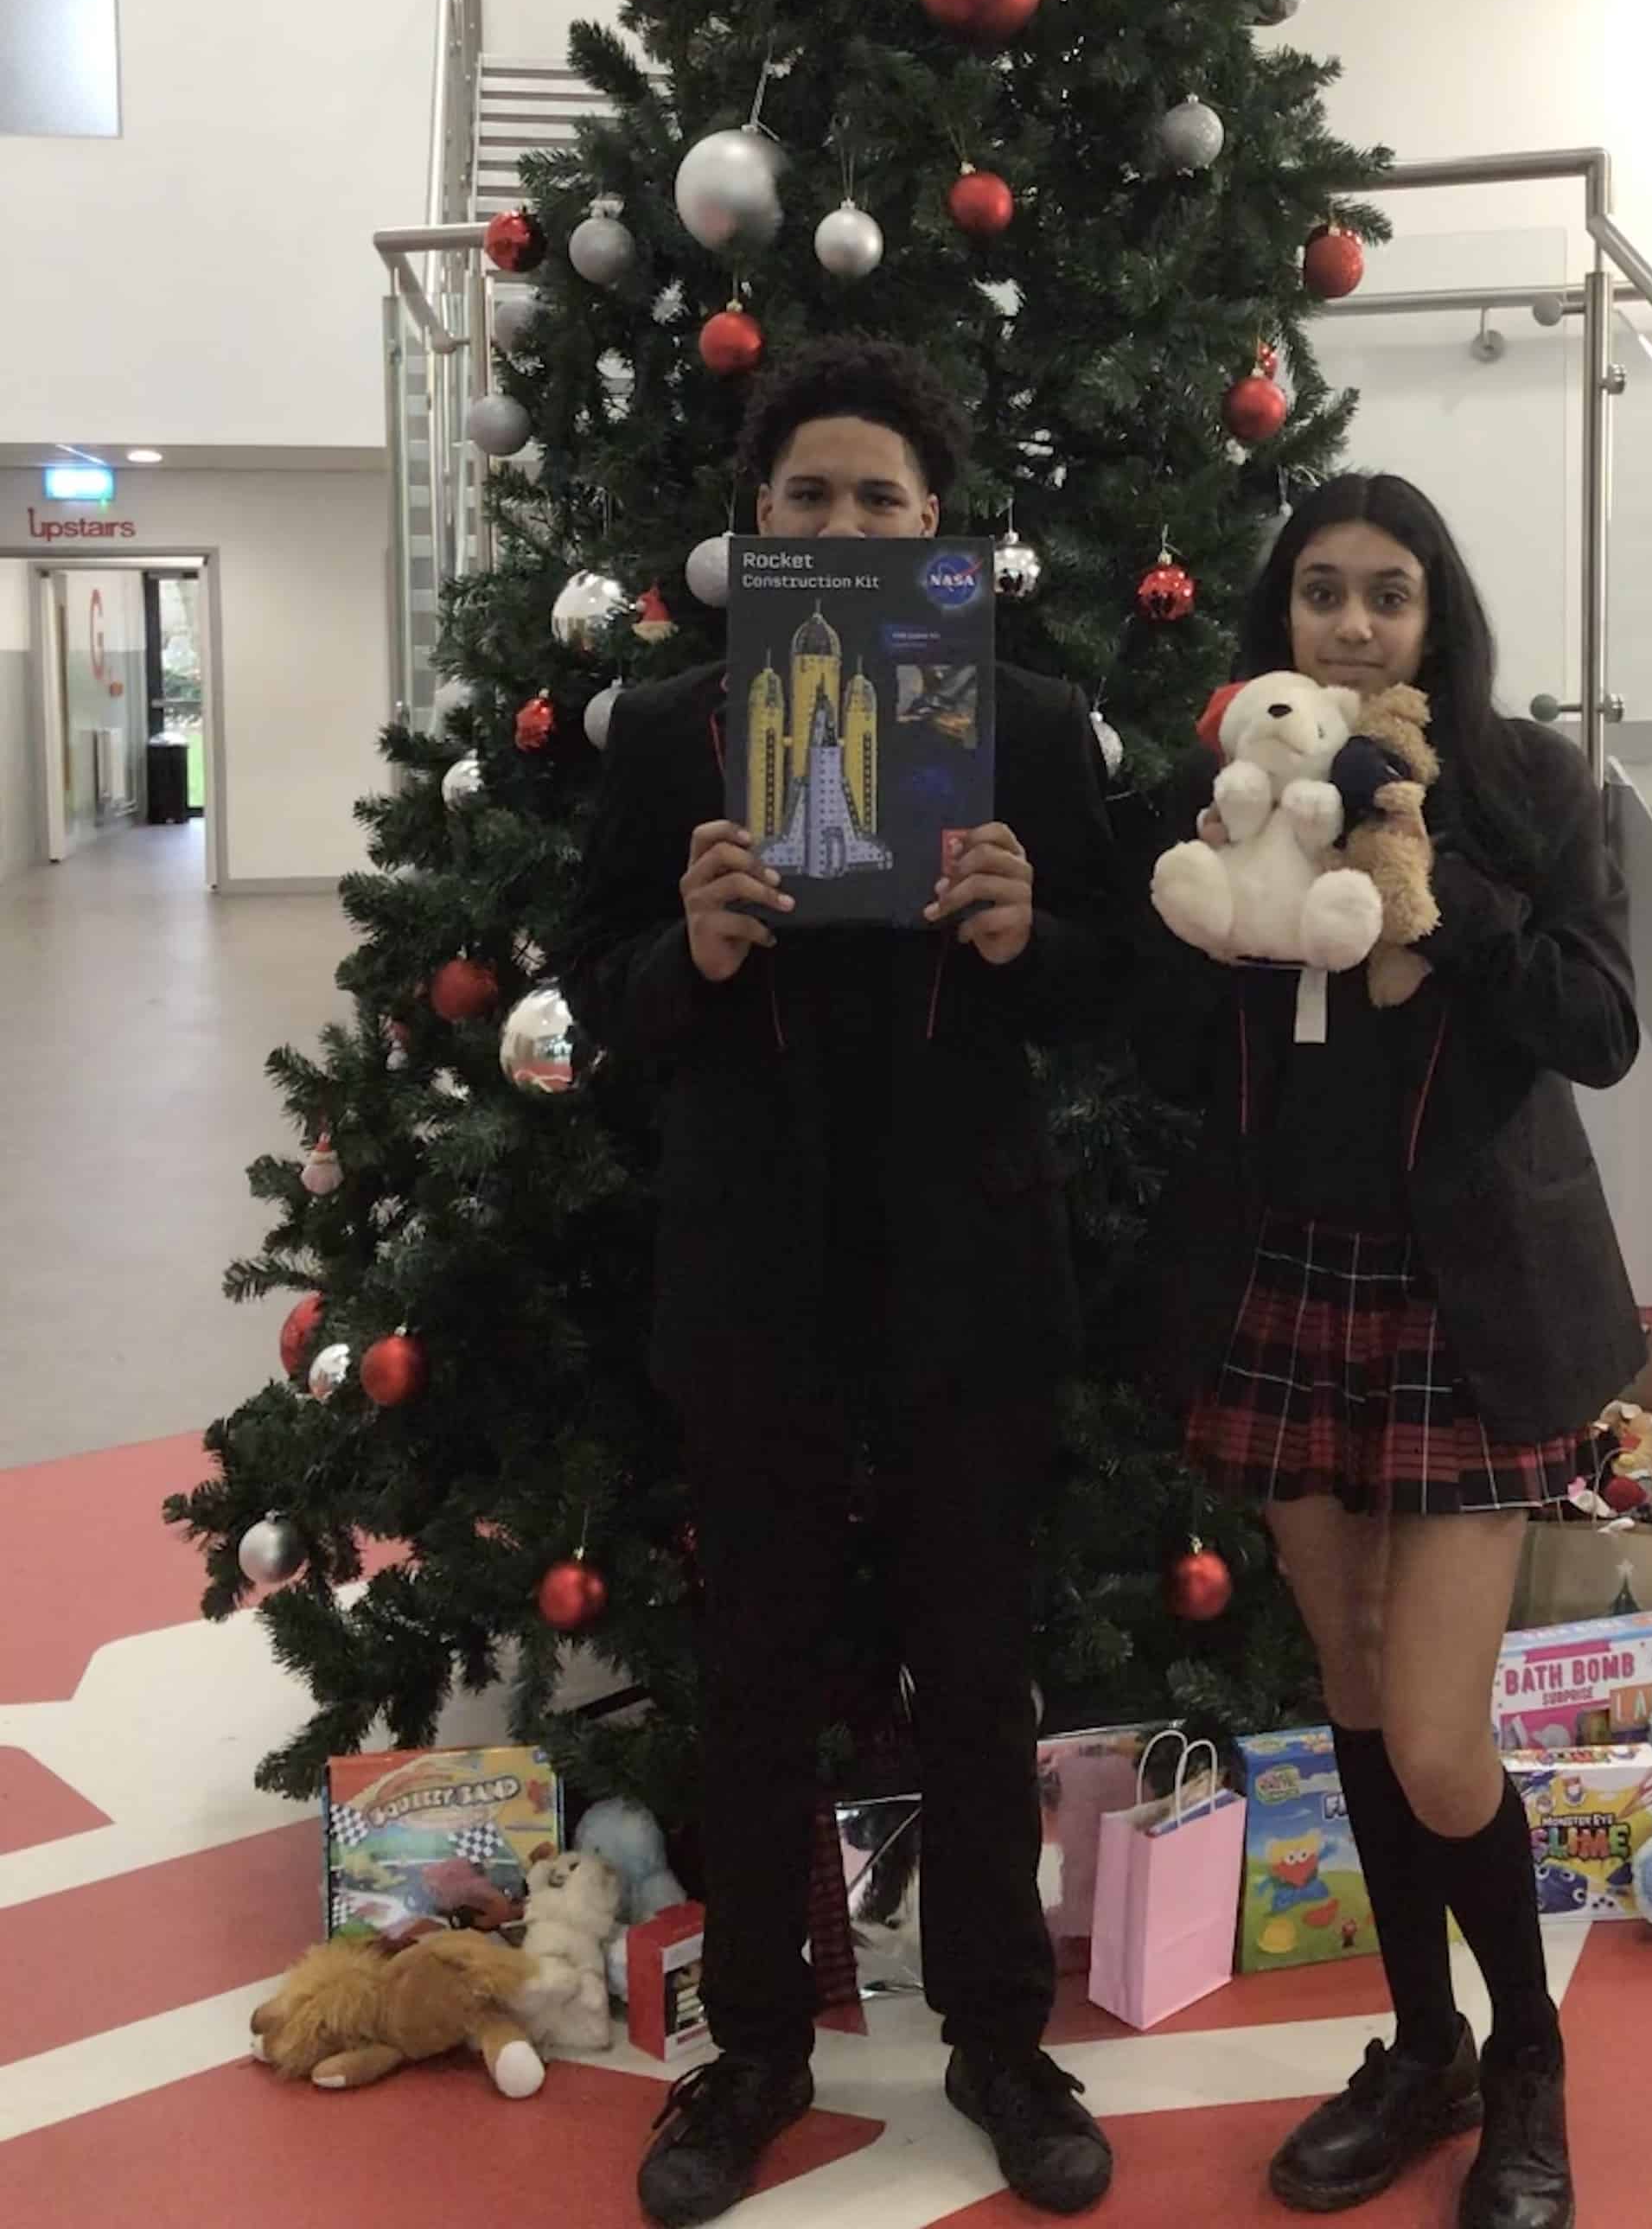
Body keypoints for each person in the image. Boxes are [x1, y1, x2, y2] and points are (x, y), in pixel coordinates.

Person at [564, 339, 1122, 2227]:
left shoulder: (1032, 728)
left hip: (970, 1272)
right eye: (808, 495)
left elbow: (1108, 992)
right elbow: (595, 988)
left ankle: (997, 2030)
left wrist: (1034, 928)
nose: (845, 521)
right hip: (758, 1274)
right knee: (755, 1677)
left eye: (881, 496)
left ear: (940, 524)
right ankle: (758, 2048)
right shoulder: (670, 732)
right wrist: (688, 951)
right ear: (757, 525)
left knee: (978, 1672)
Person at [1137, 472, 1643, 2229]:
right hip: (1288, 1284)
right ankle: (1418, 2044)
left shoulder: (1526, 785)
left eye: (1390, 597)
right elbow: (1175, 1025)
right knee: (1350, 1684)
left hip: (1466, 1307)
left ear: (1438, 619)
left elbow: (1602, 1026)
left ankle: (1527, 2065)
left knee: (1439, 1733)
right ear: (1284, 617)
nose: (1352, 626)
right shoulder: (1237, 781)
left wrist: (1441, 904)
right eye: (1324, 594)